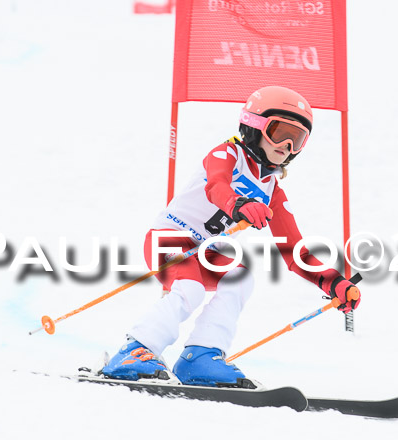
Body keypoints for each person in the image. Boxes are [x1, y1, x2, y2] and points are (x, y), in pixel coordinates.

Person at [101, 86, 361, 387]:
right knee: (191, 287)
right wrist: (239, 204)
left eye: (298, 139)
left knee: (240, 277)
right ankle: (135, 350)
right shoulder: (227, 153)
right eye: (279, 132)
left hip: (209, 252)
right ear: (253, 125)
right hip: (170, 236)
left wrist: (332, 281)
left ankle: (200, 356)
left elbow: (294, 251)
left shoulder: (272, 191)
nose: (287, 146)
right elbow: (217, 185)